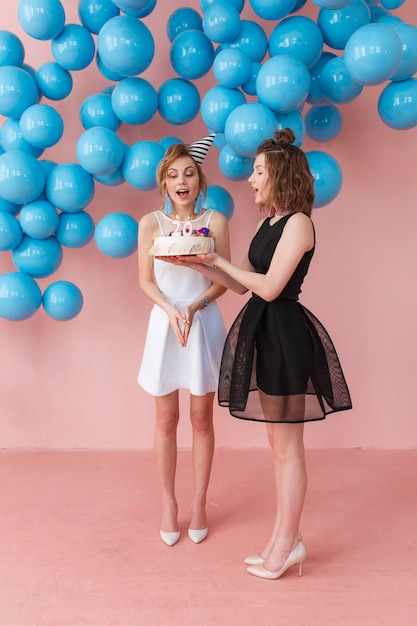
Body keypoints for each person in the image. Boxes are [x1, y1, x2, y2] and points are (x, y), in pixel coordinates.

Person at [174, 128, 352, 578]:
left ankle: (288, 543)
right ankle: (282, 539)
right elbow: (241, 284)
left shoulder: (300, 224)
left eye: (258, 172)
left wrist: (220, 262)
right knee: (278, 446)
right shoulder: (265, 223)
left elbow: (271, 287)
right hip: (262, 331)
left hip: (286, 335)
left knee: (289, 449)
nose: (251, 179)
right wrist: (203, 262)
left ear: (280, 174)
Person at [137, 135, 231, 547]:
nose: (182, 180)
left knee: (201, 420)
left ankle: (199, 501)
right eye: (173, 174)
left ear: (199, 180)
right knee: (165, 420)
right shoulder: (150, 225)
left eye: (189, 173)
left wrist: (194, 306)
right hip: (165, 324)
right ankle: (168, 503)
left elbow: (225, 281)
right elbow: (145, 280)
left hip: (202, 322)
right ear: (164, 184)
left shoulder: (216, 220)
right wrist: (171, 309)